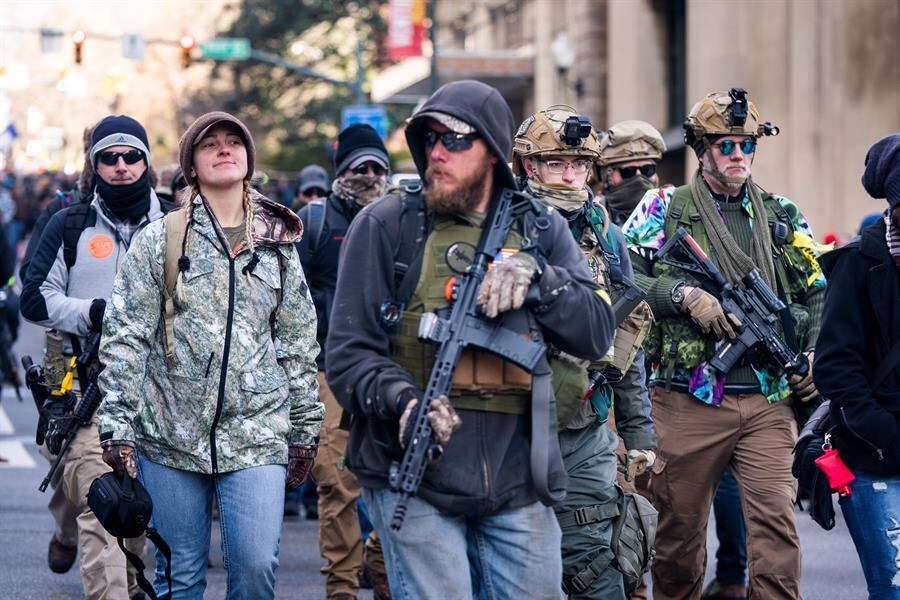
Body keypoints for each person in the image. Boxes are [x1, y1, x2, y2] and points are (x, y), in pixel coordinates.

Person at [326, 80, 616, 599]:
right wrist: (403, 402)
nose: (438, 152)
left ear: (493, 151)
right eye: (429, 138)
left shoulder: (541, 227)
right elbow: (348, 355)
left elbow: (596, 331)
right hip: (413, 473)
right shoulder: (388, 225)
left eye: (455, 139)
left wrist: (538, 277)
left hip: (519, 478)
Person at [95, 111, 324, 599]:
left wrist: (304, 430)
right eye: (210, 144)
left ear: (248, 160)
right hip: (171, 433)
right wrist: (117, 425)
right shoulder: (160, 239)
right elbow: (125, 337)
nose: (224, 149)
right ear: (192, 166)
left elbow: (299, 342)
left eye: (233, 142)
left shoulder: (279, 242)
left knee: (256, 568)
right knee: (181, 577)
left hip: (257, 433)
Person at [622, 88, 825, 599]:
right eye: (726, 145)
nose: (738, 155)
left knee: (777, 527)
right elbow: (623, 278)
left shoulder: (781, 215)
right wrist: (682, 294)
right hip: (686, 400)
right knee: (677, 537)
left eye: (747, 145)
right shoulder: (663, 207)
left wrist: (813, 356)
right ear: (701, 148)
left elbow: (817, 293)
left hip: (767, 399)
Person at [512, 105, 657, 598]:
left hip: (584, 424)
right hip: (506, 420)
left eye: (579, 164)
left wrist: (638, 430)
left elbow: (628, 338)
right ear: (530, 167)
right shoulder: (499, 228)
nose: (570, 174)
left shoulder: (609, 237)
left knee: (593, 564)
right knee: (509, 561)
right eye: (557, 163)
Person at [20, 115, 164, 599]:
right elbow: (35, 298)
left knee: (138, 500)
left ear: (146, 161)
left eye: (131, 156)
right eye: (109, 157)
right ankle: (83, 554)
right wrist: (93, 313)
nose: (121, 166)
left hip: (156, 384)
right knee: (95, 493)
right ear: (94, 164)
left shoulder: (175, 223)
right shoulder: (68, 221)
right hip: (75, 370)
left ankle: (126, 574)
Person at [297, 123, 392, 600]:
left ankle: (379, 561)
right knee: (336, 481)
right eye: (359, 167)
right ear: (341, 171)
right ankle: (341, 590)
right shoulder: (313, 223)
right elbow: (287, 299)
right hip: (326, 369)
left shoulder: (400, 219)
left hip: (388, 371)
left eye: (378, 167)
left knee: (397, 477)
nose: (369, 175)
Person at [814, 134, 900, 599]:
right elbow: (833, 365)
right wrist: (884, 430)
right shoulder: (856, 265)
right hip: (876, 458)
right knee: (892, 589)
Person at [595, 120, 666, 226]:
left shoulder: (673, 213)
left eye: (647, 169)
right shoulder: (593, 217)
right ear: (607, 175)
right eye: (628, 171)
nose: (639, 177)